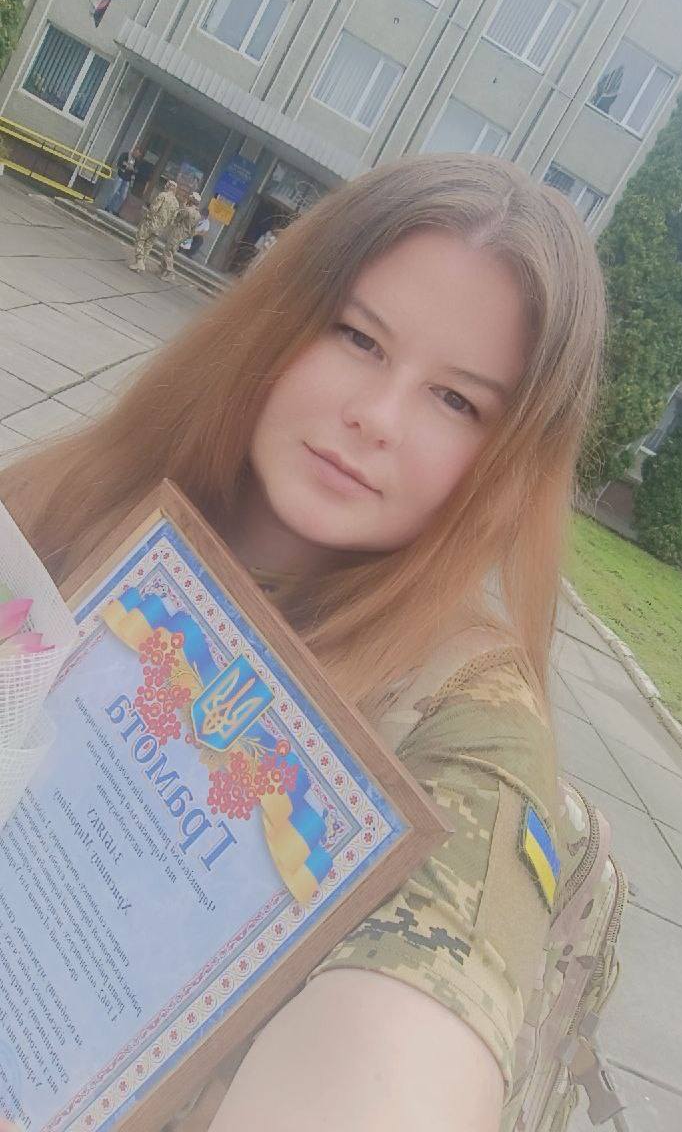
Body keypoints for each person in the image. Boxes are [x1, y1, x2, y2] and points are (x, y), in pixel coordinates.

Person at [0, 155, 605, 1132]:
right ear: (281, 318)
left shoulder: (467, 728)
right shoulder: (86, 496)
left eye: (457, 401)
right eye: (359, 337)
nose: (377, 415)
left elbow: (401, 1059)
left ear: (509, 461)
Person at [129, 179, 180, 273]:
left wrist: (147, 217)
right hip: (160, 228)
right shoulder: (176, 203)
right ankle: (141, 264)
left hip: (151, 223)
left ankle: (139, 261)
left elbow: (154, 208)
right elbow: (172, 220)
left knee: (140, 239)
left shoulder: (163, 195)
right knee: (148, 245)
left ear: (168, 186)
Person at [159, 191, 203, 276]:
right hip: (185, 235)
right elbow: (193, 230)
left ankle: (170, 269)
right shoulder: (198, 215)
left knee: (168, 250)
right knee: (172, 251)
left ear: (191, 200)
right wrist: (188, 238)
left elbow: (177, 218)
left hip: (178, 232)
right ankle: (163, 270)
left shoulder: (187, 210)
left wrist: (183, 207)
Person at [105, 145, 142, 215]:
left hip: (127, 179)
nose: (137, 156)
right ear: (134, 151)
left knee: (123, 196)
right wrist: (127, 166)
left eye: (138, 155)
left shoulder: (136, 161)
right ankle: (108, 207)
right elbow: (119, 163)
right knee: (114, 192)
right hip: (120, 176)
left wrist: (132, 169)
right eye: (136, 153)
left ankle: (115, 210)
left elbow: (136, 170)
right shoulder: (125, 155)